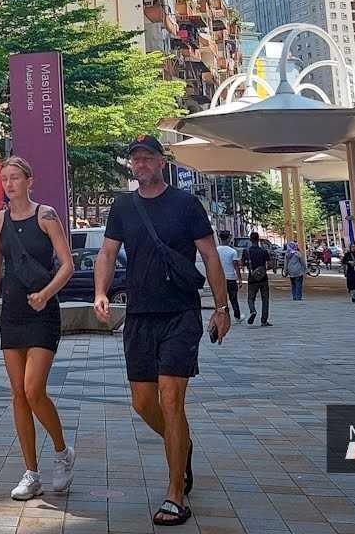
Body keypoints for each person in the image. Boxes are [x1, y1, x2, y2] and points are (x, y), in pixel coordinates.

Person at [93, 136, 230, 527]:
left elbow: (208, 255)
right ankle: (181, 445)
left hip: (179, 314)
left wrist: (221, 309)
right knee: (142, 403)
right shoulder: (123, 206)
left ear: (161, 162)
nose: (140, 165)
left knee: (171, 401)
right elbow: (106, 252)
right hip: (139, 314)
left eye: (147, 158)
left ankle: (175, 494)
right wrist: (101, 292)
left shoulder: (186, 205)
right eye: (135, 160)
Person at [0, 155, 76, 501]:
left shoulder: (46, 215)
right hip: (13, 314)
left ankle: (63, 452)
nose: (9, 183)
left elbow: (68, 265)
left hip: (43, 313)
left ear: (29, 181)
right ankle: (31, 473)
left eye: (16, 177)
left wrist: (46, 294)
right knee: (18, 393)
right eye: (5, 178)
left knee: (34, 390)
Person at [243, 232, 271, 326]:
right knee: (265, 299)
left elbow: (243, 264)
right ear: (258, 239)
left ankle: (252, 311)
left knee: (251, 298)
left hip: (252, 278)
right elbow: (269, 264)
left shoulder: (246, 251)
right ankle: (264, 320)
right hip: (263, 278)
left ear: (250, 240)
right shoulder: (263, 251)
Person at [215, 230, 241, 320]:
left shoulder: (216, 251)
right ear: (229, 238)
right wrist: (239, 279)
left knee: (221, 299)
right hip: (231, 278)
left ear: (220, 238)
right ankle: (237, 316)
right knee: (233, 298)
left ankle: (222, 316)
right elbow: (236, 266)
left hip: (220, 278)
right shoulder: (232, 251)